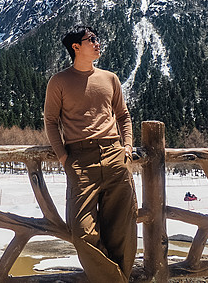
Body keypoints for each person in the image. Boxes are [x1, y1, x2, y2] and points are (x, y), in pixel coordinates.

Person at [44, 25, 137, 283]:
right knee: (81, 232)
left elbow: (124, 116)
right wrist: (64, 158)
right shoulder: (59, 81)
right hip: (80, 160)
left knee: (123, 230)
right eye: (92, 39)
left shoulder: (110, 79)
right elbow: (51, 121)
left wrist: (127, 148)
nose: (98, 43)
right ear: (76, 46)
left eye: (97, 38)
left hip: (115, 155)